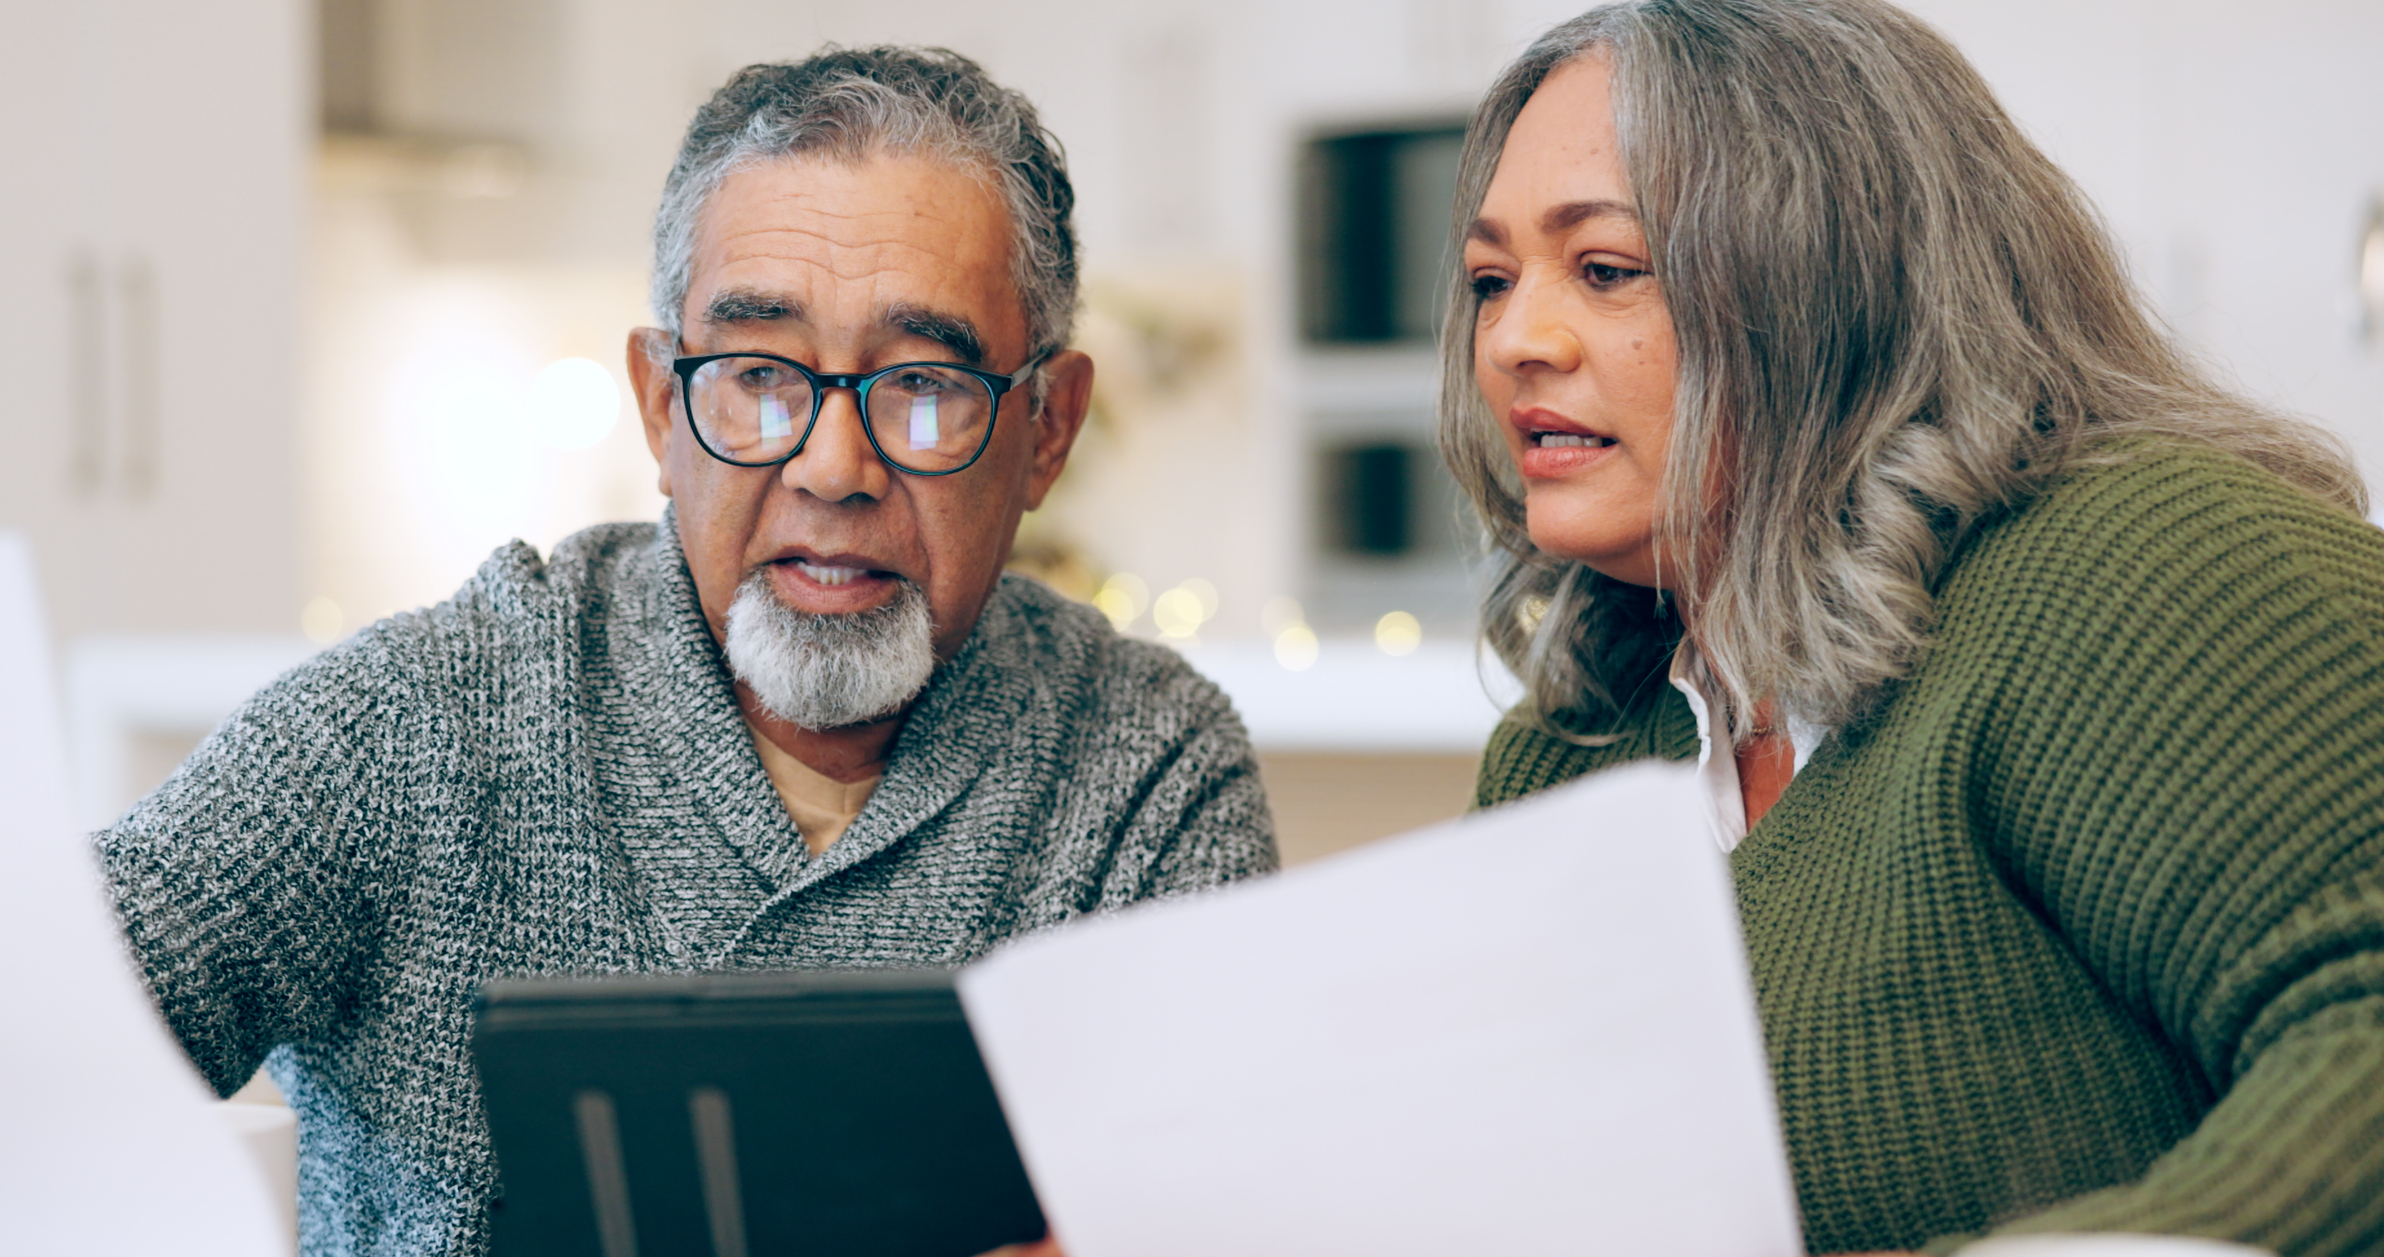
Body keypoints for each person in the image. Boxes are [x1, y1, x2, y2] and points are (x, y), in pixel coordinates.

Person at [98, 47, 1275, 1255]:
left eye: (923, 385)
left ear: (1047, 428)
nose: (831, 467)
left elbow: (1234, 1210)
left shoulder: (1149, 769)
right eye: (758, 377)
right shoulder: (413, 724)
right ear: (663, 409)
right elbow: (46, 1048)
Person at [1447, 1, 2384, 1254]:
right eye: (1488, 282)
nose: (1512, 340)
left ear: (1834, 285)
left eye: (1605, 268)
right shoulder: (1569, 745)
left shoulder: (2141, 564)